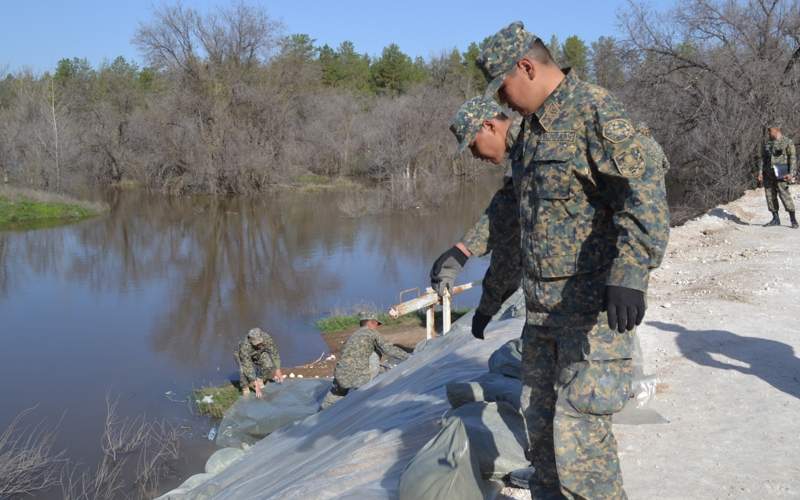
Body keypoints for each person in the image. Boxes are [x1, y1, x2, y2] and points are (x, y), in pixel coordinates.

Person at [468, 21, 670, 499]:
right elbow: (518, 221)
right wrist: (489, 292)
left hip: (589, 318)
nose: (503, 102)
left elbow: (643, 193)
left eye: (503, 89)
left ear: (526, 67)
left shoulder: (594, 112)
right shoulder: (534, 133)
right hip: (542, 318)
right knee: (543, 443)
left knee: (581, 449)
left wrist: (630, 272)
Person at [431, 96, 523, 338]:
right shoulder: (521, 158)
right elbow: (507, 220)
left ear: (488, 126)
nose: (474, 155)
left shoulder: (541, 143)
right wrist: (461, 252)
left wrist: (624, 279)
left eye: (472, 144)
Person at [319, 311, 410, 409]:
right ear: (372, 323)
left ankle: (321, 413)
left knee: (332, 398)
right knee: (376, 352)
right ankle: (367, 397)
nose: (377, 327)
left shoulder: (353, 336)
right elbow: (389, 349)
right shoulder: (372, 332)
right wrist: (409, 357)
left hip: (340, 376)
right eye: (377, 324)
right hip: (359, 379)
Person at [757, 122, 797, 228]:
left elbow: (792, 158)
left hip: (781, 173)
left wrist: (791, 173)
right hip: (768, 174)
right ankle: (775, 218)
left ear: (776, 130)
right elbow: (762, 159)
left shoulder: (787, 142)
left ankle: (793, 220)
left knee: (785, 196)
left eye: (770, 131)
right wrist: (760, 173)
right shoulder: (767, 144)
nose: (768, 133)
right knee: (770, 196)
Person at [235, 327, 284, 399]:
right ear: (250, 340)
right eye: (256, 343)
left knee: (268, 365)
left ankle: (260, 379)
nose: (258, 344)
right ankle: (245, 387)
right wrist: (256, 385)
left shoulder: (267, 338)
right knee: (243, 371)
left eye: (260, 342)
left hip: (259, 352)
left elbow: (274, 353)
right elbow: (247, 366)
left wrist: (278, 369)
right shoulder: (244, 346)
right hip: (243, 356)